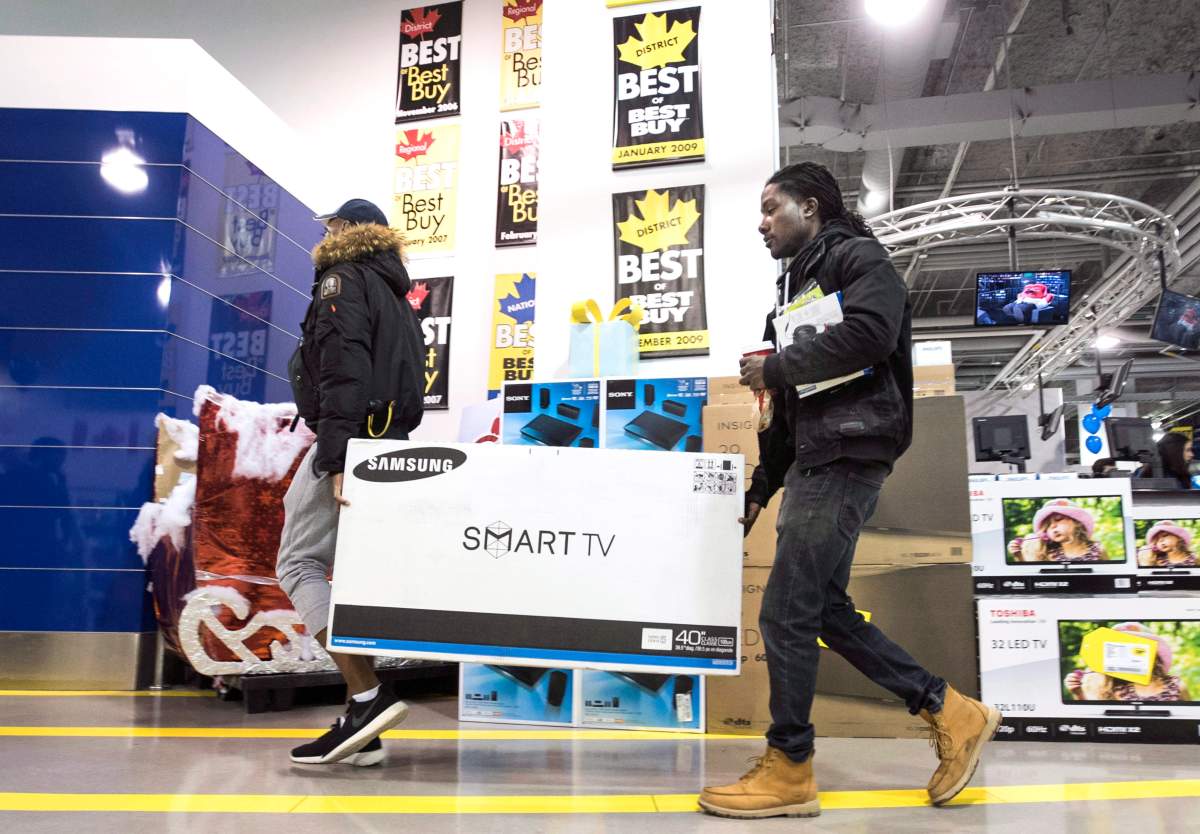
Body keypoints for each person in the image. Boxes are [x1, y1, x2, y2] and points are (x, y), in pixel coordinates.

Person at [700, 162, 1000, 820]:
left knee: (784, 612)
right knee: (823, 610)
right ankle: (953, 710)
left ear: (811, 206)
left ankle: (790, 768)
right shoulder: (793, 296)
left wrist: (774, 365)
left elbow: (871, 334)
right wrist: (758, 490)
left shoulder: (857, 257)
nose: (761, 221)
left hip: (848, 452)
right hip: (821, 453)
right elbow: (791, 411)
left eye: (772, 207)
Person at [276, 199, 425, 766]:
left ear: (345, 232)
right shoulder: (395, 292)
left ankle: (368, 695)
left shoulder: (342, 280)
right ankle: (362, 728)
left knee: (297, 563)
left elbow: (343, 366)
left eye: (330, 225)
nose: (325, 233)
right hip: (388, 441)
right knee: (356, 582)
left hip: (352, 442)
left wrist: (337, 455)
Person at [1064, 622, 1191, 702]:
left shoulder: (1175, 685)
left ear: (1154, 655)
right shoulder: (1107, 686)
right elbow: (1094, 717)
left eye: (1137, 650)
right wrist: (1079, 694)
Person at [1007, 499, 1107, 563]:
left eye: (1058, 519)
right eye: (1048, 526)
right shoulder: (1046, 553)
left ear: (1077, 523)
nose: (1053, 527)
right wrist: (1019, 556)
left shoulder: (1097, 549)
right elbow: (1033, 575)